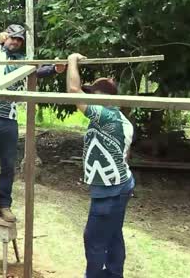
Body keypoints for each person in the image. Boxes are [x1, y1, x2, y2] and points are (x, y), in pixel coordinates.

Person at [0, 24, 66, 222]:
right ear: (6, 37)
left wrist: (55, 69)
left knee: (8, 164)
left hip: (9, 118)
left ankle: (5, 205)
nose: (15, 42)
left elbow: (38, 71)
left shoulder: (23, 61)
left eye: (19, 39)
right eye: (12, 38)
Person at [66, 53, 135, 278]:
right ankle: (115, 274)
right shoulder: (121, 120)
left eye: (93, 95)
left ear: (104, 98)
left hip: (110, 189)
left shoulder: (108, 117)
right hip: (121, 183)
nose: (89, 98)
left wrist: (72, 60)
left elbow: (74, 93)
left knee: (94, 239)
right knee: (114, 233)